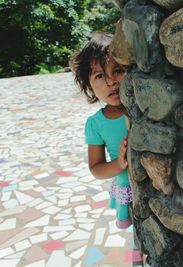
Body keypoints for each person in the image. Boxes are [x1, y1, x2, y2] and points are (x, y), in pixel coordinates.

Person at [69, 32, 132, 229]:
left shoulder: (142, 108)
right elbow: (96, 168)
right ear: (88, 85)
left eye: (118, 70)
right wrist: (119, 163)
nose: (111, 81)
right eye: (99, 75)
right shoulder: (95, 124)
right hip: (127, 186)